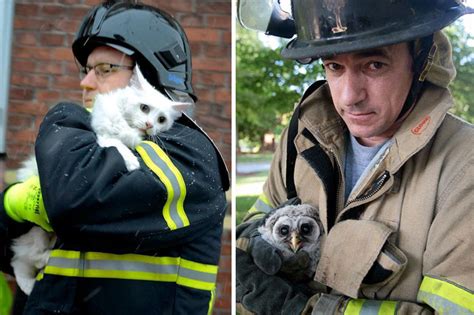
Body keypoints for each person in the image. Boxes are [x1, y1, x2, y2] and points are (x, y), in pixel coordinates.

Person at [236, 0, 473, 314]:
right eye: (334, 66)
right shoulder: (304, 135)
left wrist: (306, 309)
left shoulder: (463, 162)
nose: (350, 97)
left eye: (374, 64)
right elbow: (251, 232)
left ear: (422, 60)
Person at [0, 1, 229, 314]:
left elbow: (73, 198)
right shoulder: (86, 147)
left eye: (105, 70)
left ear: (147, 76)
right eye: (85, 71)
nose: (85, 83)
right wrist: (11, 204)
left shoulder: (189, 155)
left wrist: (65, 116)